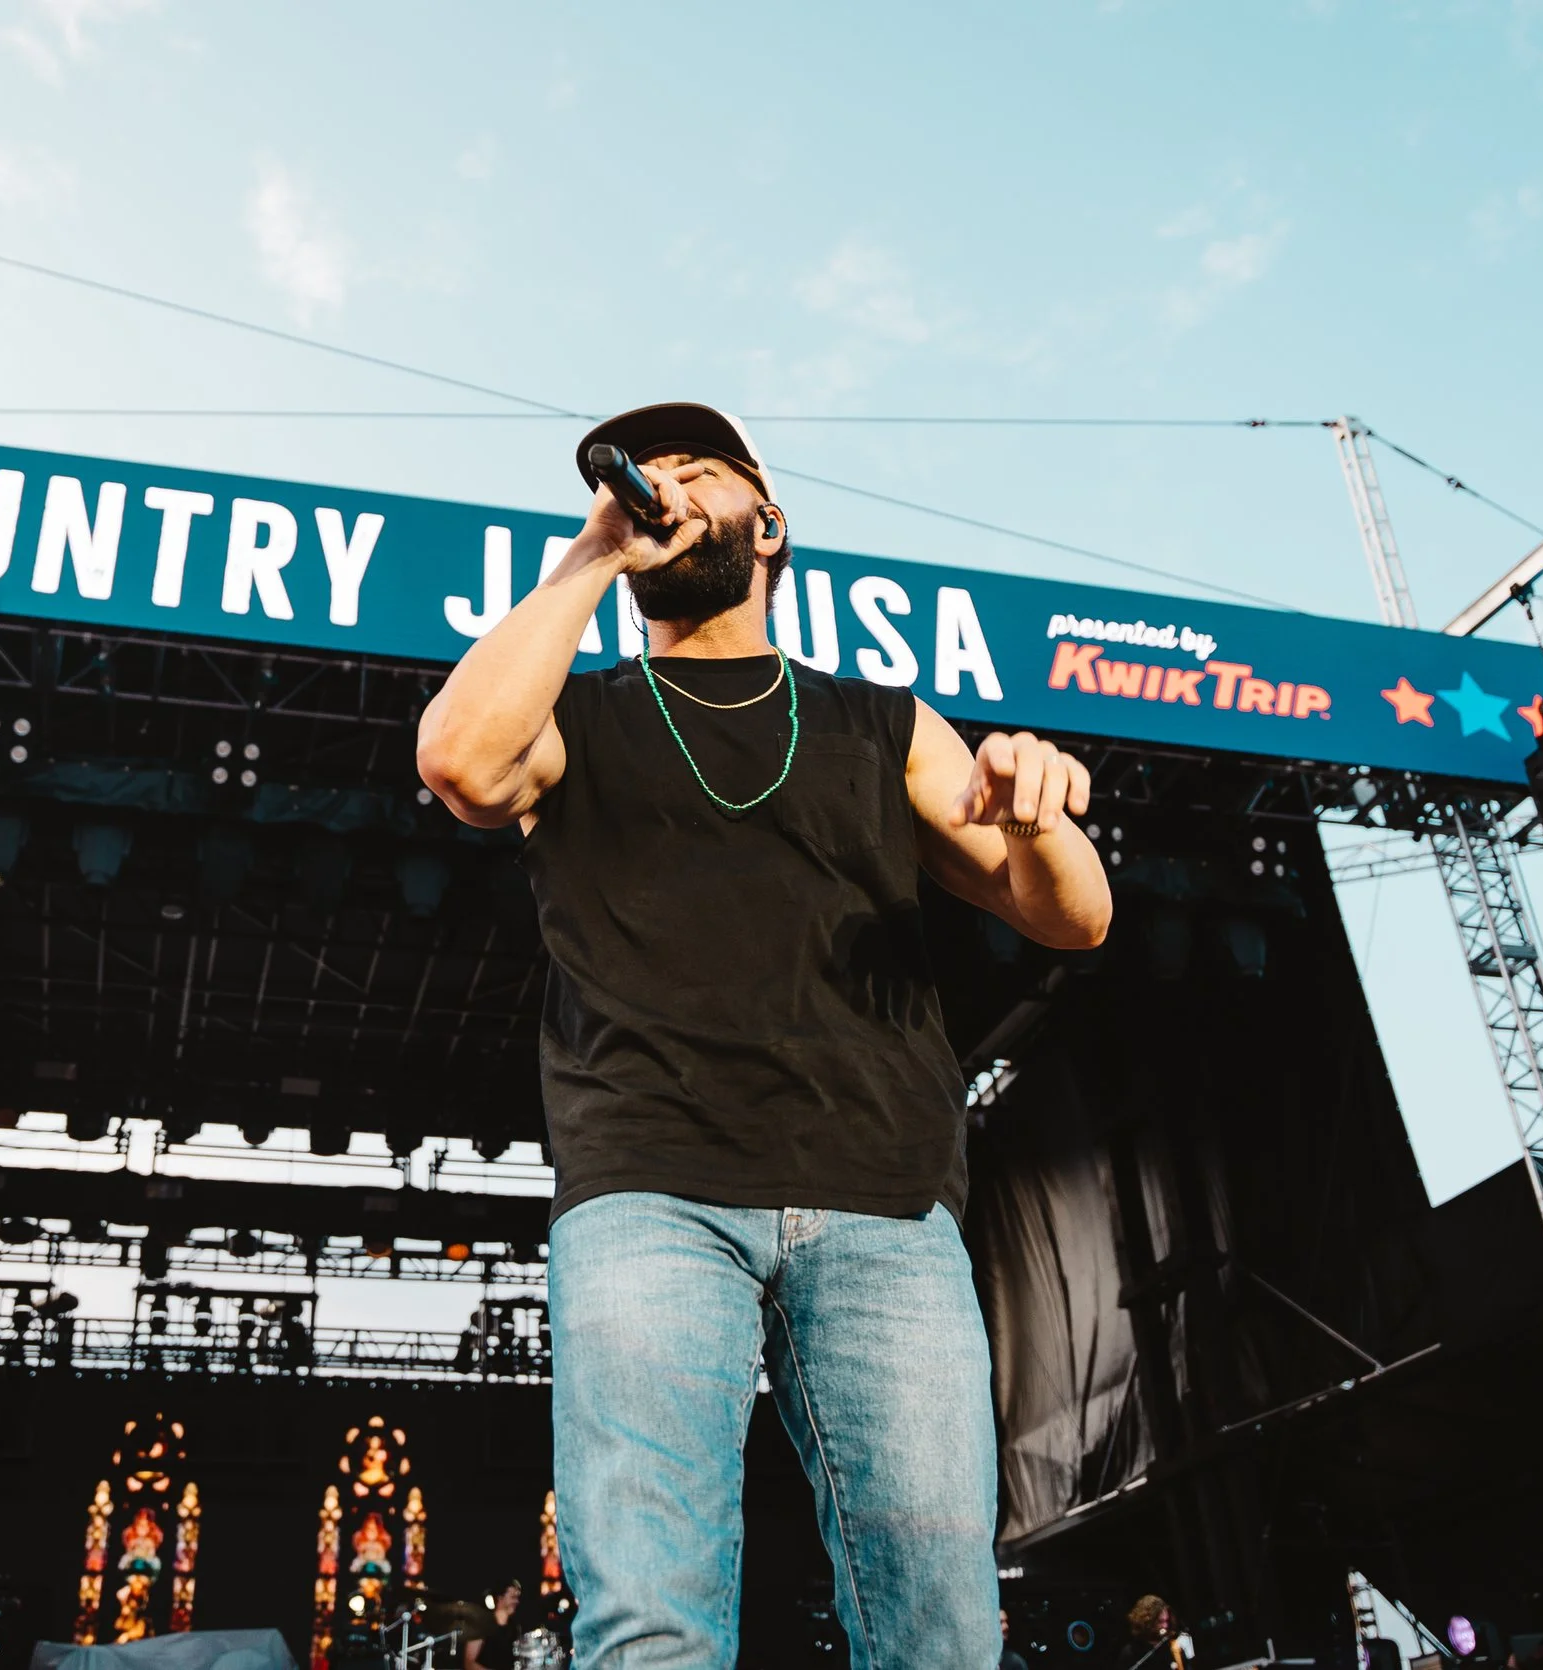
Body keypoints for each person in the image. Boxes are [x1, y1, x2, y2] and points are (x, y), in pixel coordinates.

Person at [416, 404, 1112, 1670]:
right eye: (648, 476)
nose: (664, 486)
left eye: (700, 472)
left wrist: (1040, 812)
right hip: (648, 1190)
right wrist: (589, 556)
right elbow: (462, 763)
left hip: (882, 1202)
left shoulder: (877, 721)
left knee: (939, 1628)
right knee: (650, 1622)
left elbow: (1069, 916)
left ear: (769, 523)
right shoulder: (576, 715)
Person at [465, 1579, 525, 1670]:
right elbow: (469, 1663)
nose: (517, 1601)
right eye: (513, 1597)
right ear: (500, 1597)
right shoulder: (482, 1624)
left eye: (517, 1598)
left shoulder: (515, 1627)